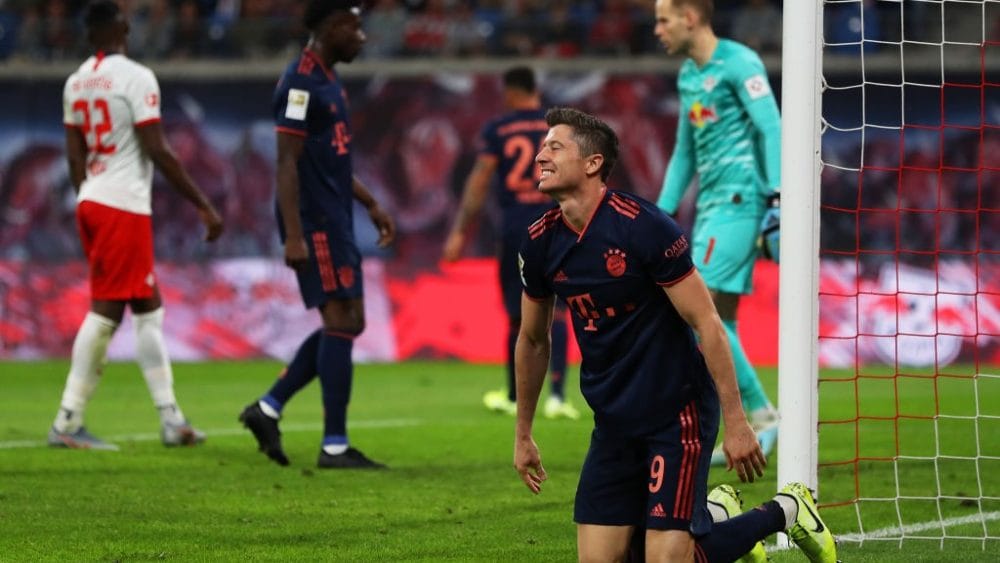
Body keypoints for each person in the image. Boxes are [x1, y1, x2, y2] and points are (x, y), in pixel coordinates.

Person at [513, 107, 836, 562]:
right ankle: (715, 513)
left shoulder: (644, 227)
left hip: (676, 412)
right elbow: (533, 340)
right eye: (543, 146)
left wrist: (737, 421)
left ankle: (786, 510)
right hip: (613, 420)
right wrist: (523, 432)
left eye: (554, 146)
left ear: (592, 163)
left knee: (663, 559)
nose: (541, 154)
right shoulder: (539, 241)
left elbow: (707, 322)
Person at [49, 0, 224, 450]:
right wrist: (203, 204)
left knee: (149, 307)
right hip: (122, 205)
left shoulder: (76, 82)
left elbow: (74, 156)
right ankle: (67, 423)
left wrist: (88, 196)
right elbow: (158, 149)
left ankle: (171, 420)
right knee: (106, 312)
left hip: (93, 198)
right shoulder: (137, 76)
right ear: (122, 26)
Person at [238, 0, 396, 470]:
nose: (362, 37)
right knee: (342, 320)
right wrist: (293, 234)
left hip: (337, 218)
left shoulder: (328, 78)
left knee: (348, 323)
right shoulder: (300, 83)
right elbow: (287, 161)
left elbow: (331, 160)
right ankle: (333, 445)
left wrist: (369, 203)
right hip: (316, 223)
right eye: (355, 28)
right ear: (331, 28)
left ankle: (267, 409)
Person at [653, 0, 782, 464]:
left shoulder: (740, 62)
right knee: (719, 320)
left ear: (690, 17)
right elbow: (684, 151)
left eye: (663, 19)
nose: (656, 29)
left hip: (740, 201)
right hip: (710, 207)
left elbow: (771, 125)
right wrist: (661, 215)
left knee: (696, 314)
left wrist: (778, 196)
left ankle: (763, 415)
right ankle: (762, 416)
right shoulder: (689, 76)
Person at [442, 66, 578, 420]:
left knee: (518, 315)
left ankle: (516, 396)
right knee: (559, 311)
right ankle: (558, 397)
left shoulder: (499, 129)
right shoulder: (558, 130)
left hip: (517, 228)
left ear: (510, 93)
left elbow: (479, 179)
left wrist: (459, 231)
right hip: (556, 222)